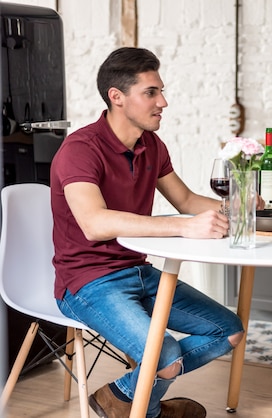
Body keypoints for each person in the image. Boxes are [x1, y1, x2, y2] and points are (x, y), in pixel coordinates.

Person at [51, 47, 250, 418]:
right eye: (151, 93)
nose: (164, 102)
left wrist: (246, 211)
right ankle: (151, 410)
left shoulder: (151, 145)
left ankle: (120, 395)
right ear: (117, 97)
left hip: (139, 273)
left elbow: (187, 199)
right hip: (87, 282)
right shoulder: (80, 149)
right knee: (167, 356)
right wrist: (183, 229)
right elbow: (94, 224)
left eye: (161, 91)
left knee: (230, 331)